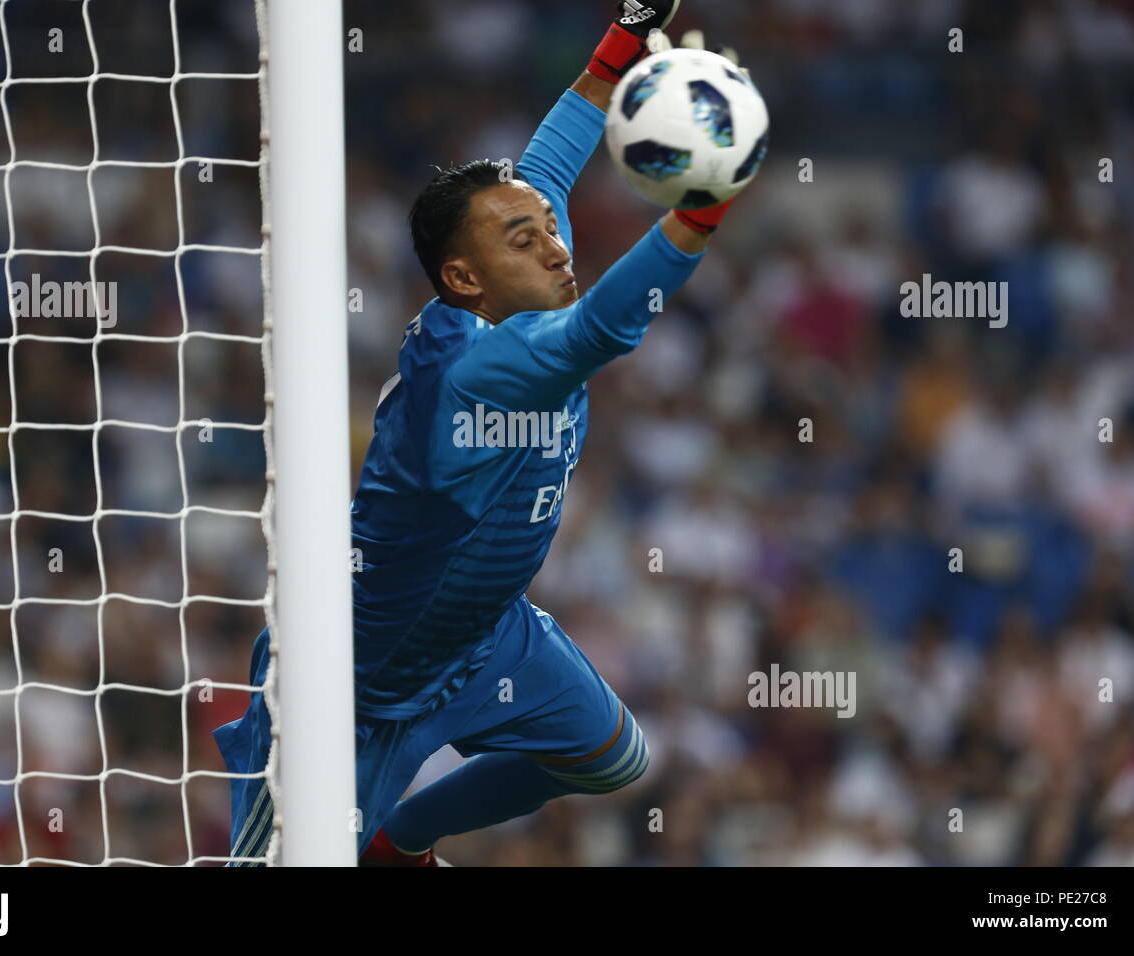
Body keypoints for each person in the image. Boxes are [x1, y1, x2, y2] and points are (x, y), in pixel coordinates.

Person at [215, 0, 740, 866]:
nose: (556, 248)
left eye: (547, 229)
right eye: (524, 238)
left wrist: (627, 33)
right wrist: (704, 201)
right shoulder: (475, 371)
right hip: (353, 685)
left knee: (614, 758)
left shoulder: (516, 287)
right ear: (463, 277)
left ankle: (402, 839)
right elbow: (603, 329)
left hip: (482, 634)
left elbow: (549, 162)